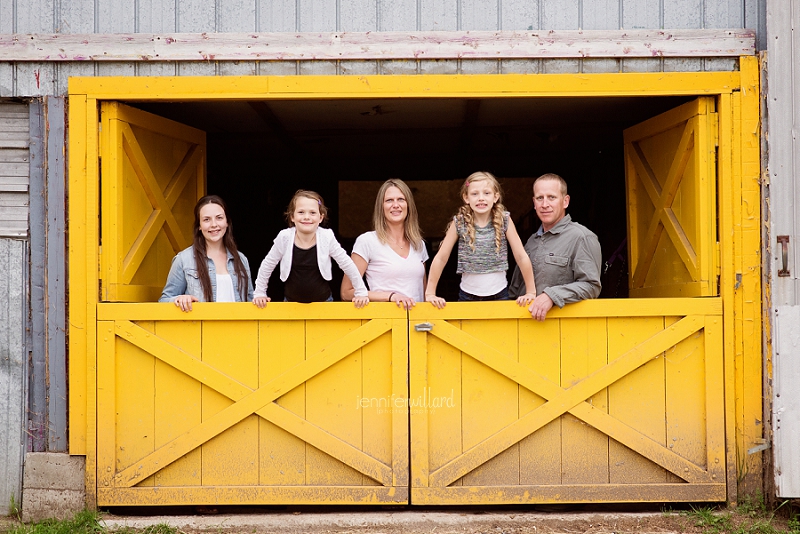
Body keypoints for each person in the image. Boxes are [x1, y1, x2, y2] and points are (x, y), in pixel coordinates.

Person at [424, 172, 537, 308]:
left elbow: (521, 256)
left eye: (486, 193)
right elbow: (441, 258)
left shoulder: (504, 220)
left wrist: (531, 291)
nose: (481, 198)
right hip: (467, 295)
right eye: (475, 194)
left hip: (499, 294)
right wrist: (430, 293)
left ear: (496, 197)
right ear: (466, 197)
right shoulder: (460, 222)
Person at [509, 173, 602, 321]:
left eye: (551, 197)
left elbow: (591, 286)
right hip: (524, 328)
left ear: (565, 201)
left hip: (563, 331)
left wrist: (552, 296)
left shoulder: (582, 237)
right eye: (540, 198)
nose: (545, 204)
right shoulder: (531, 242)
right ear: (534, 203)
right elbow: (514, 291)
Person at [252, 190, 369, 307]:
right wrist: (260, 293)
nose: (307, 217)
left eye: (312, 213)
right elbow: (267, 265)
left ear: (321, 217)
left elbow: (346, 263)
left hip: (324, 303)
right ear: (292, 216)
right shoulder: (284, 237)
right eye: (301, 212)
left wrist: (361, 291)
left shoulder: (326, 237)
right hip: (290, 305)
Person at [341, 179, 428, 310]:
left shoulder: (419, 244)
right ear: (381, 207)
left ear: (408, 205)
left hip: (417, 324)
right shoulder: (367, 241)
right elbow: (346, 292)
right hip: (383, 322)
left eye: (401, 199)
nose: (396, 205)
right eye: (389, 200)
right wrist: (390, 296)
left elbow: (425, 294)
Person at [160, 195, 255, 312]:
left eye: (219, 218)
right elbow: (164, 300)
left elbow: (251, 301)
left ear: (227, 222)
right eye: (206, 219)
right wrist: (180, 299)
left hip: (239, 329)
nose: (214, 224)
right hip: (200, 329)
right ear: (199, 226)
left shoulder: (241, 259)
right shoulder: (184, 259)